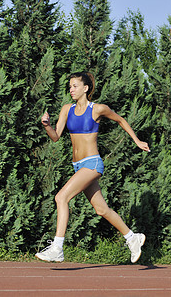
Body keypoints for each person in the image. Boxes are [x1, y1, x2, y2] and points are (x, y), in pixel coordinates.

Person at [36, 71, 150, 263]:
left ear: (85, 88)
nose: (71, 89)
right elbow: (56, 137)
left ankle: (57, 247)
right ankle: (133, 238)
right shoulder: (66, 109)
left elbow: (120, 119)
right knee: (101, 210)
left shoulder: (97, 109)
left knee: (61, 197)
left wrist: (137, 141)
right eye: (70, 86)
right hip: (78, 166)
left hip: (92, 163)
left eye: (75, 86)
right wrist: (46, 125)